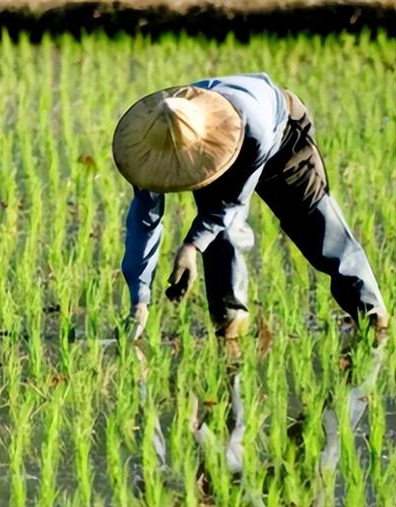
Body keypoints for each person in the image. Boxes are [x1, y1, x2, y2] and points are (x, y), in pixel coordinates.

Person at [112, 73, 388, 358]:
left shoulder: (253, 125)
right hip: (209, 145)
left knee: (313, 222)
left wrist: (191, 246)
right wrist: (139, 300)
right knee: (221, 237)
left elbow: (231, 201)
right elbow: (144, 221)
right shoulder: (148, 147)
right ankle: (229, 327)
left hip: (280, 134)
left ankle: (371, 313)